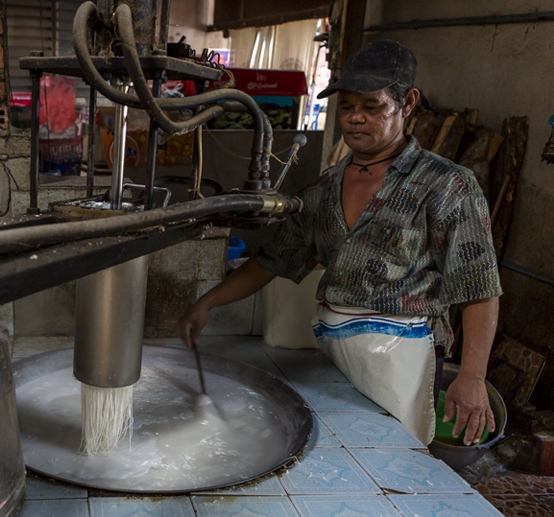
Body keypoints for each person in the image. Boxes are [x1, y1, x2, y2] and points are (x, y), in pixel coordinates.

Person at [178, 39, 501, 447]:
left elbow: (479, 288)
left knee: (394, 458)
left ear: (408, 103)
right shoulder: (322, 190)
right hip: (334, 355)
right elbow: (273, 260)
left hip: (402, 359)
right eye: (347, 107)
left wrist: (472, 376)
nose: (355, 119)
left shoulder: (446, 186)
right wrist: (206, 303)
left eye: (372, 107)